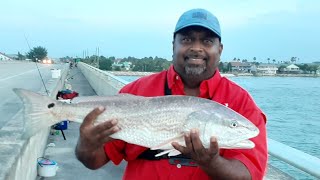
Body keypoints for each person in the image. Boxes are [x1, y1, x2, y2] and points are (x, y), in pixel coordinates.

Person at [75, 8, 267, 180]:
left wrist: (211, 162)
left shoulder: (241, 102)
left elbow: (248, 175)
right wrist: (86, 144)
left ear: (220, 50)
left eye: (207, 41)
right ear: (173, 45)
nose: (196, 48)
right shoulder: (134, 93)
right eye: (186, 39)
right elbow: (93, 161)